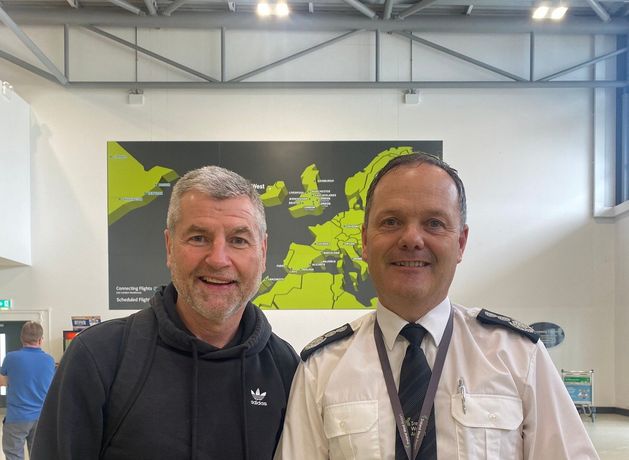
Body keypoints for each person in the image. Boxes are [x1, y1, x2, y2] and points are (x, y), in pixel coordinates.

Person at [275, 153, 599, 460]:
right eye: (391, 221)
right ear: (364, 241)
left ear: (460, 243)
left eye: (434, 223)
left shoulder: (517, 357)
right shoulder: (321, 369)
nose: (412, 239)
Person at [32, 166, 299, 460]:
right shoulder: (99, 358)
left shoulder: (287, 369)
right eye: (198, 238)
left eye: (238, 240)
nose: (219, 259)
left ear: (262, 252)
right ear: (170, 247)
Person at [0, 321, 55, 460]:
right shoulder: (49, 360)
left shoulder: (11, 358)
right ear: (40, 340)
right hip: (41, 417)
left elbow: (2, 381)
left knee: (13, 455)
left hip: (16, 417)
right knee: (39, 454)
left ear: (22, 338)